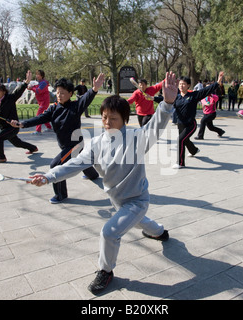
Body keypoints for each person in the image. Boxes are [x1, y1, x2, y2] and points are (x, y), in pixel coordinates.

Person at [27, 71, 178, 294]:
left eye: (113, 118)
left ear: (125, 120)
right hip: (119, 201)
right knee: (139, 222)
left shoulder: (137, 138)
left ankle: (105, 271)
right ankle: (160, 232)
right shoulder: (96, 143)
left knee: (109, 232)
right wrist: (48, 176)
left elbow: (156, 125)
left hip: (137, 200)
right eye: (104, 117)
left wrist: (167, 103)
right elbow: (74, 164)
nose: (107, 122)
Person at [10, 74, 104, 204]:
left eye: (63, 93)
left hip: (75, 145)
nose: (59, 95)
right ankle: (92, 175)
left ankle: (61, 195)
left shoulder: (76, 106)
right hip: (65, 145)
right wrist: (22, 124)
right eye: (58, 92)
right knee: (81, 160)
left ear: (70, 93)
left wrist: (94, 89)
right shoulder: (53, 108)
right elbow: (39, 119)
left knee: (56, 165)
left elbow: (86, 99)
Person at [0, 70, 38, 164]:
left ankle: (1, 158)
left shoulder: (10, 98)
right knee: (17, 143)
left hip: (13, 126)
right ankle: (33, 148)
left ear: (4, 92)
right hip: (4, 128)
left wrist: (26, 82)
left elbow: (19, 91)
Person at [172, 72, 224, 169]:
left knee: (180, 140)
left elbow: (206, 90)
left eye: (183, 84)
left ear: (188, 85)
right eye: (180, 84)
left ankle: (180, 163)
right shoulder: (176, 97)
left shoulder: (194, 95)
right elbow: (164, 99)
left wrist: (218, 82)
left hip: (190, 125)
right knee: (185, 140)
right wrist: (152, 98)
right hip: (180, 124)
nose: (181, 86)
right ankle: (194, 150)